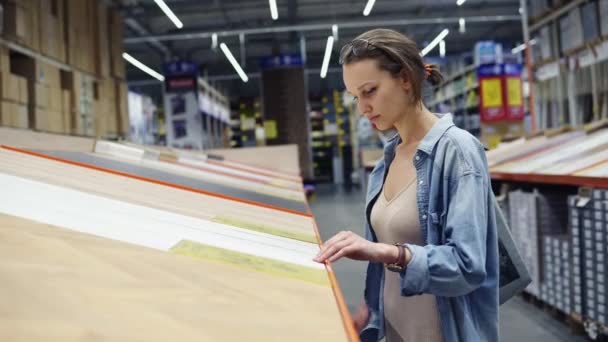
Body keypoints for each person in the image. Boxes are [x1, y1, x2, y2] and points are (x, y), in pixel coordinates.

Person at [313, 29, 499, 342]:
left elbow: (468, 266)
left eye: (370, 91)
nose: (363, 107)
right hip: (394, 330)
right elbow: (389, 252)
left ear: (405, 79)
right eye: (355, 97)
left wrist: (386, 252)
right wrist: (371, 308)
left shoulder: (456, 151)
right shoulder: (388, 159)